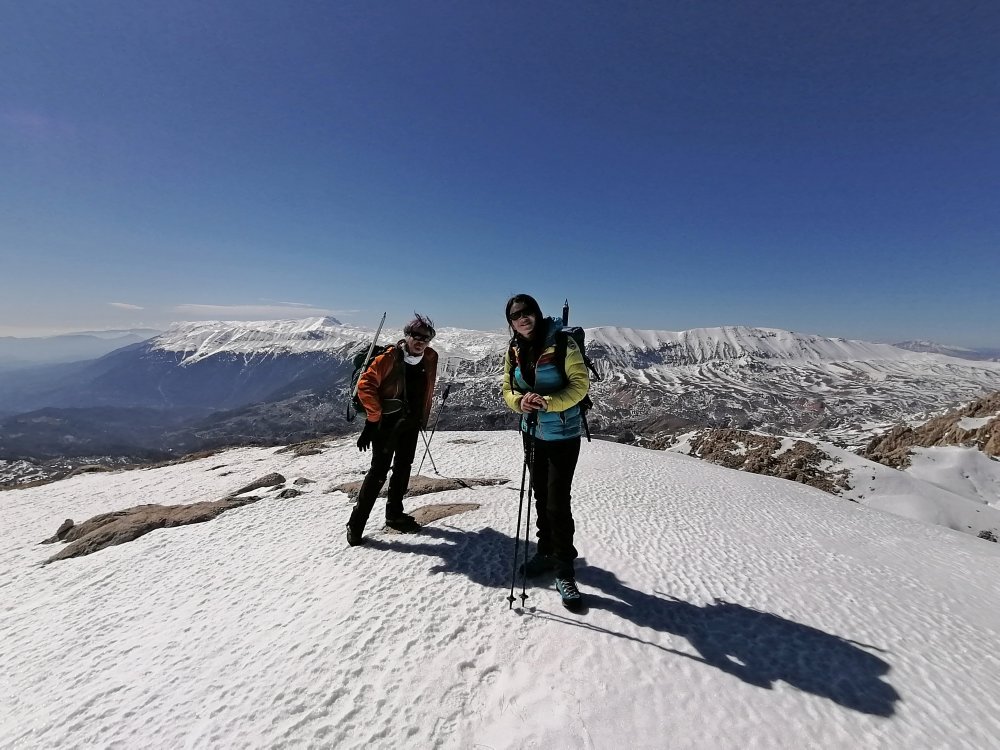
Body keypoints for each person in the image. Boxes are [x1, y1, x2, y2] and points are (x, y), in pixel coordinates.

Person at [501, 294, 590, 611]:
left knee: (557, 500)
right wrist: (519, 403)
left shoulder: (563, 342)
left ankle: (564, 568)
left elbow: (580, 385)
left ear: (537, 314)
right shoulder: (514, 349)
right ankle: (545, 550)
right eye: (515, 315)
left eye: (527, 312)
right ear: (510, 321)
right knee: (540, 495)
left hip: (563, 434)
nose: (522, 318)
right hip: (532, 433)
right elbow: (507, 389)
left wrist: (548, 403)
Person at [347, 314, 439, 546]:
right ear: (406, 336)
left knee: (403, 468)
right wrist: (372, 420)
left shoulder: (429, 357)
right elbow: (365, 386)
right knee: (378, 472)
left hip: (411, 423)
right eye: (415, 336)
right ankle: (356, 524)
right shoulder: (389, 358)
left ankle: (394, 515)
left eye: (425, 337)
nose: (420, 341)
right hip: (386, 426)